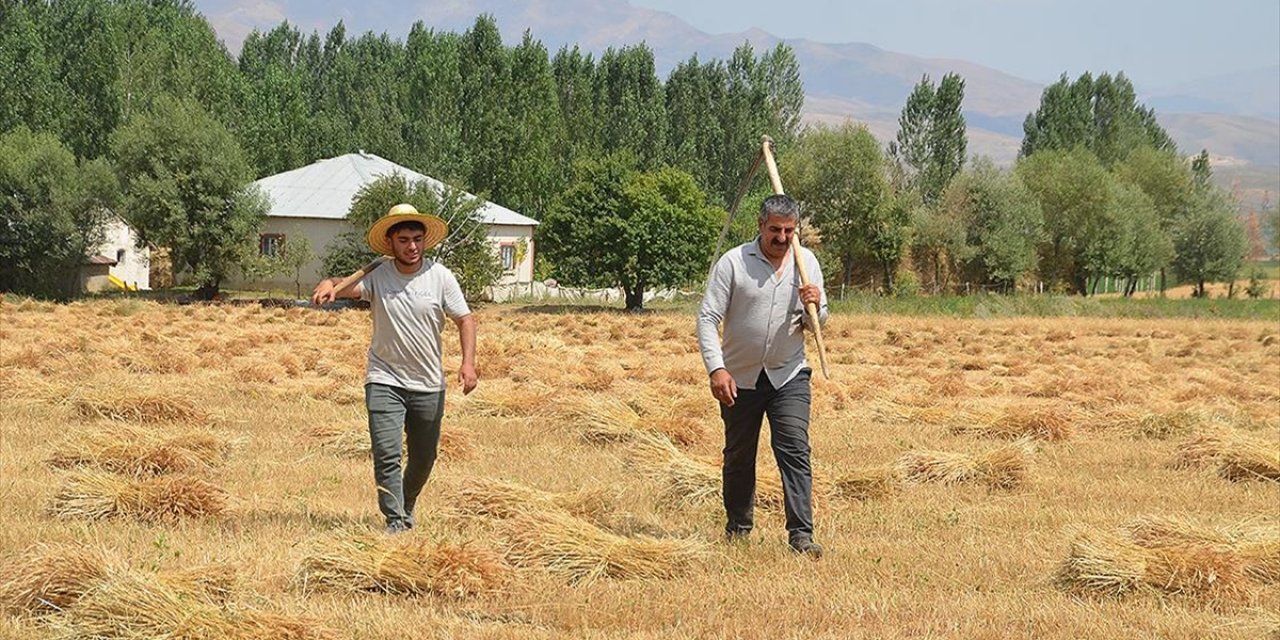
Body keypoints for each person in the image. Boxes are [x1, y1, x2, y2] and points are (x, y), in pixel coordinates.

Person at [312, 203, 478, 534]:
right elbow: (343, 286)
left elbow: (465, 319)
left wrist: (468, 362)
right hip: (384, 378)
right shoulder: (377, 276)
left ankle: (407, 501)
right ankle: (396, 520)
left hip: (428, 383)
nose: (412, 246)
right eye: (404, 239)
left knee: (423, 458)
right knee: (386, 453)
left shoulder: (440, 277)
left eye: (417, 239)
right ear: (391, 242)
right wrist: (327, 282)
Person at [696, 194, 828, 558]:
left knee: (795, 450)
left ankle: (801, 535)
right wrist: (716, 368)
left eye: (789, 230)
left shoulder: (807, 263)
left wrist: (815, 304)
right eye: (775, 230)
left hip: (789, 374)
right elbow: (707, 318)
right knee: (739, 455)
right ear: (760, 226)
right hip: (739, 377)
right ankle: (738, 528)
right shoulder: (734, 263)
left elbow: (818, 322)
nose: (782, 238)